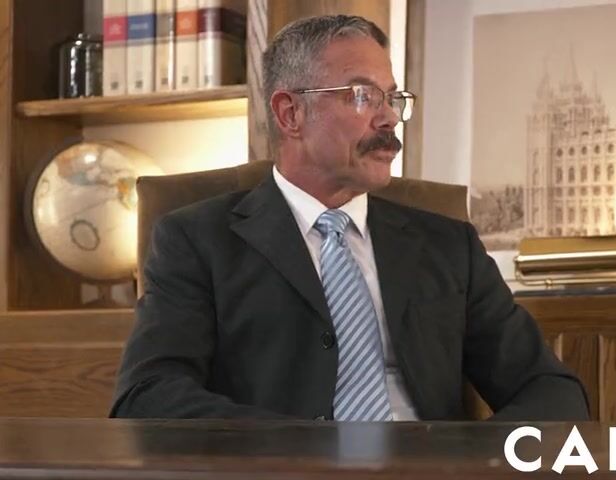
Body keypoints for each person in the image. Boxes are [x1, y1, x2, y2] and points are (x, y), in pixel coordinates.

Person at [110, 15, 588, 421]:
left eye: (392, 98)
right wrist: (302, 451)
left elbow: (549, 388)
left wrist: (475, 461)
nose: (389, 119)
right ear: (290, 113)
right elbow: (147, 396)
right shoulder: (197, 240)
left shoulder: (449, 246)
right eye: (362, 96)